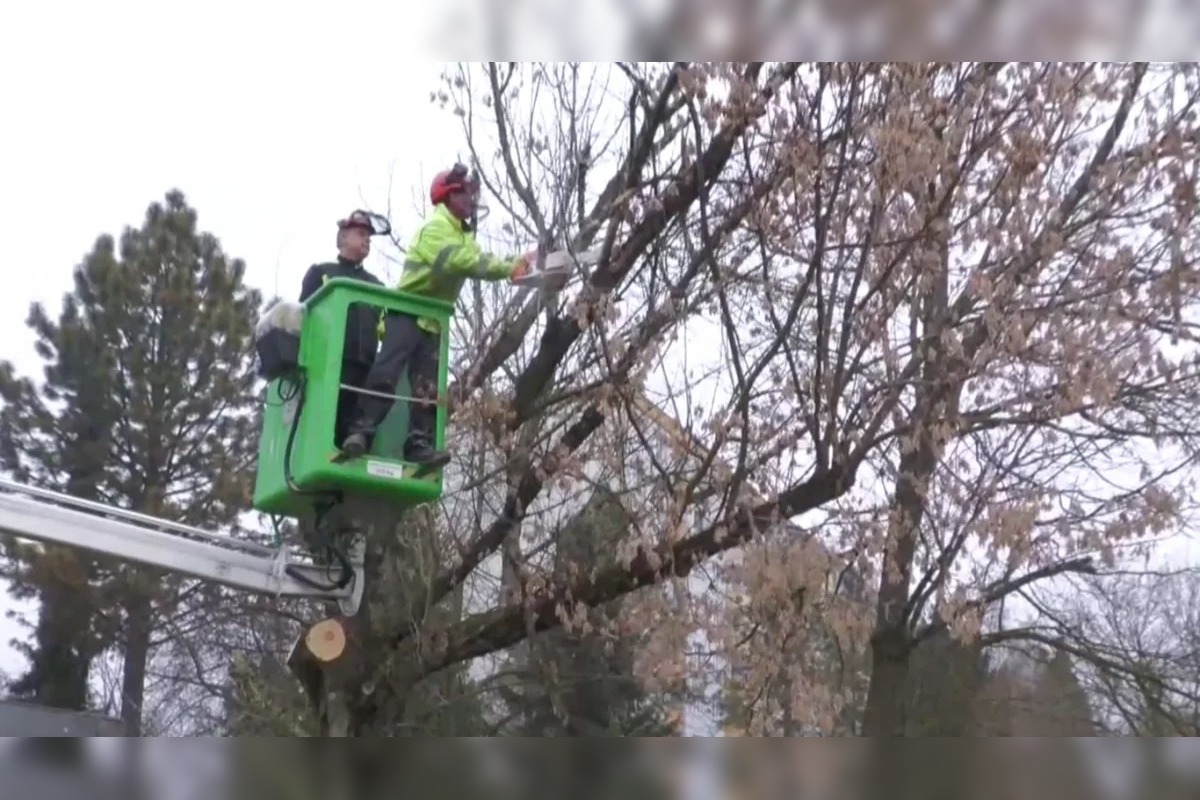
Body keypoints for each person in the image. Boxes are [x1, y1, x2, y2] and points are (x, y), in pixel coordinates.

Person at [339, 163, 532, 466]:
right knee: (386, 375)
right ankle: (360, 432)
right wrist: (510, 267)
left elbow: (475, 257)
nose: (471, 200)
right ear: (448, 196)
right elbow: (463, 261)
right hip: (406, 312)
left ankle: (419, 445)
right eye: (465, 194)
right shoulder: (437, 228)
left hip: (431, 319)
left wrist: (518, 262)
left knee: (427, 388)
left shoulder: (462, 235)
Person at [299, 210, 388, 447]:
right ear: (343, 238)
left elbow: (385, 326)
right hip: (327, 366)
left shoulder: (376, 286)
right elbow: (303, 318)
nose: (367, 239)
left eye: (369, 236)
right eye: (360, 233)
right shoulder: (322, 273)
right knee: (324, 431)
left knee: (354, 432)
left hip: (365, 369)